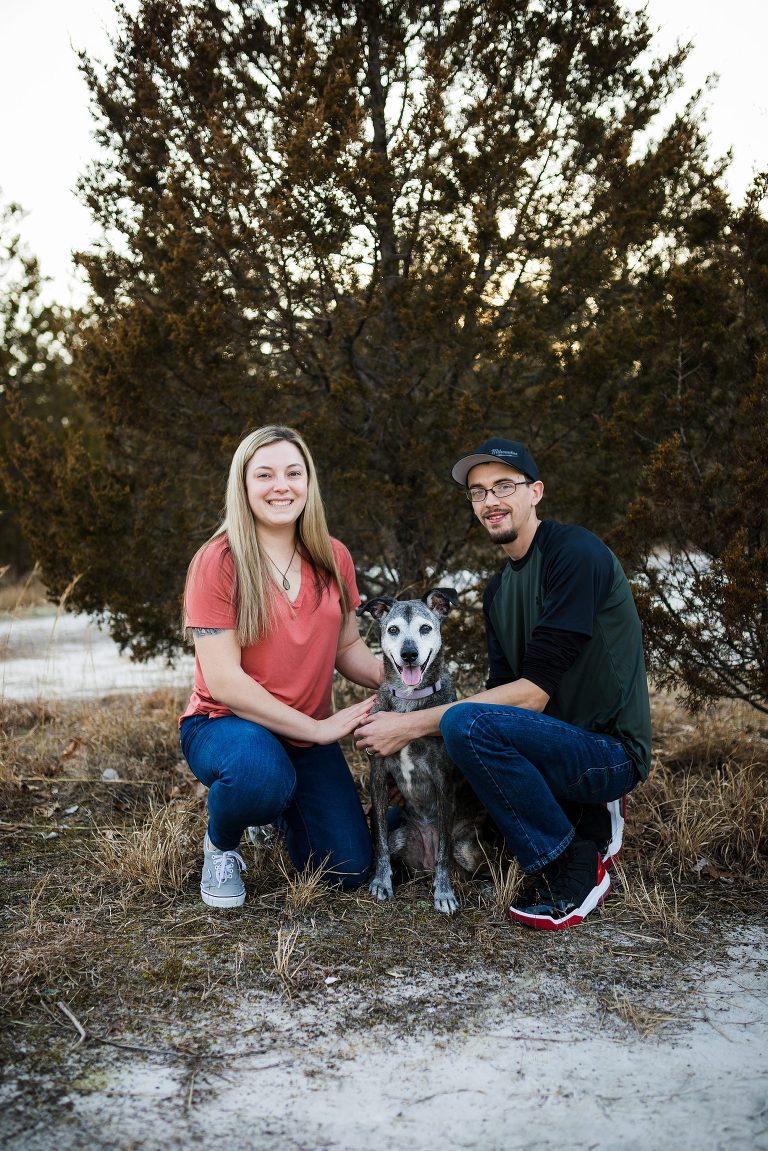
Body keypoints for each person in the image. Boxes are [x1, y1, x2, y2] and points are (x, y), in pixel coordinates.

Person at [355, 437, 651, 930]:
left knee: (464, 722)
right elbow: (500, 699)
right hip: (546, 748)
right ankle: (552, 823)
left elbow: (531, 694)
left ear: (535, 492)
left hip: (607, 750)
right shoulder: (498, 590)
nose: (490, 500)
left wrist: (410, 728)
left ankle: (573, 861)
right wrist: (417, 775)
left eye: (504, 486)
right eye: (478, 492)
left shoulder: (575, 554)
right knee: (468, 730)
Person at [180, 425, 383, 908]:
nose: (281, 486)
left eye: (294, 473)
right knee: (258, 774)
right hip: (226, 728)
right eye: (264, 474)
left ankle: (277, 808)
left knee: (348, 870)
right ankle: (221, 844)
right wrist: (317, 729)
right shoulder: (218, 561)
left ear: (308, 482)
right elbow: (227, 683)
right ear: (244, 486)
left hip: (303, 737)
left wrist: (403, 684)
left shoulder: (333, 556)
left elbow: (347, 646)